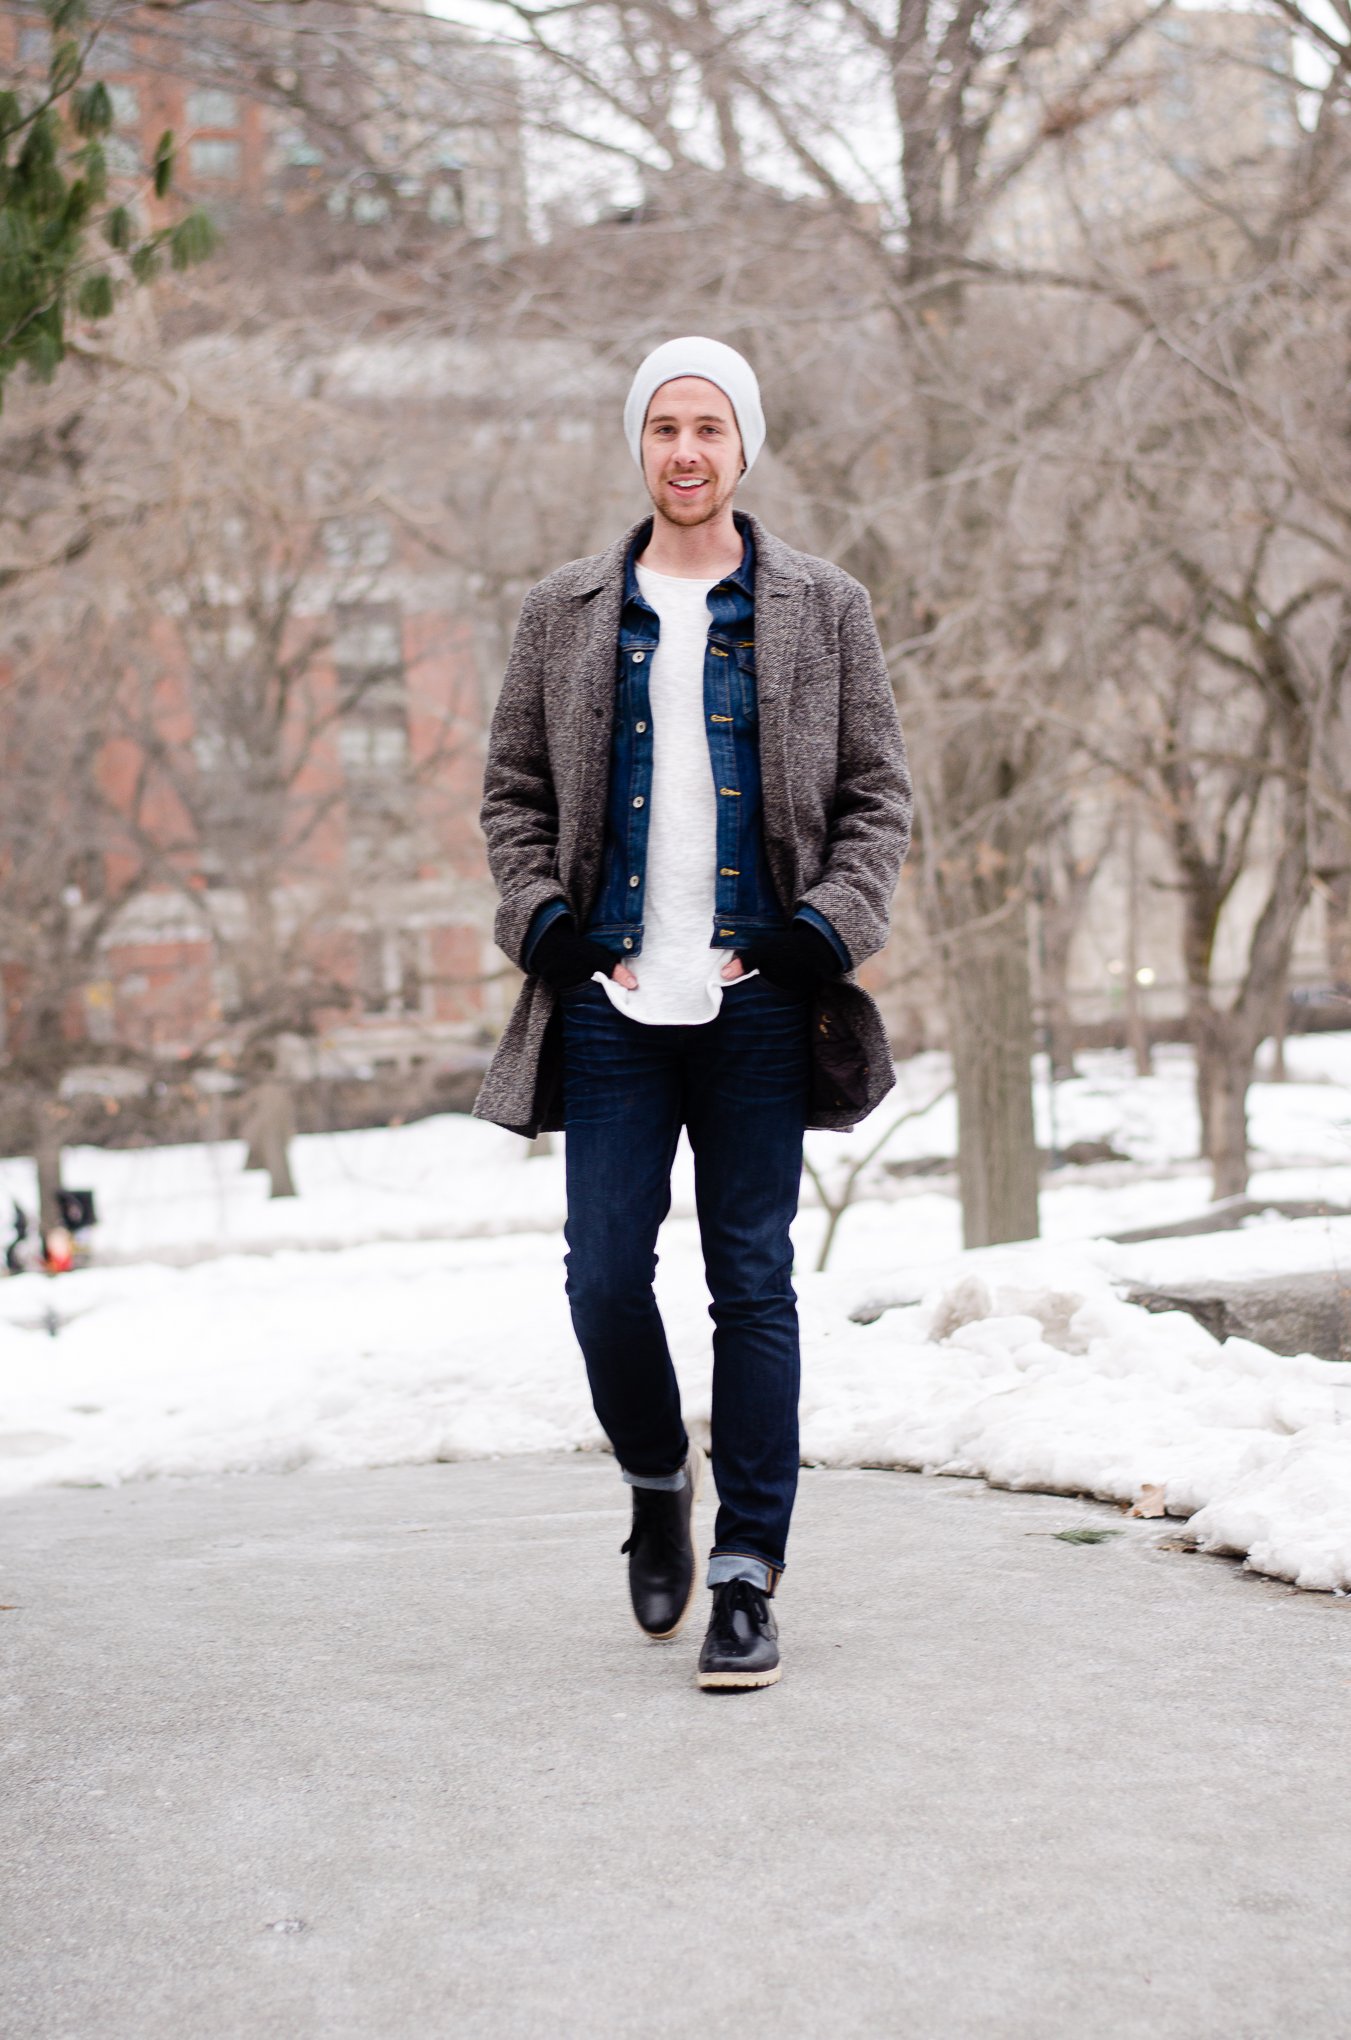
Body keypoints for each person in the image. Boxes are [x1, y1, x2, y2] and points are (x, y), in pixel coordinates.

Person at [476, 336, 911, 1690]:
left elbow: (877, 801)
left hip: (758, 1003)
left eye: (708, 428)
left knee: (754, 1285)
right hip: (607, 1000)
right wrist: (542, 921)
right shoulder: (563, 612)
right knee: (603, 1277)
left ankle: (745, 1575)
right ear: (639, 446)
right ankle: (661, 1479)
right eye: (664, 426)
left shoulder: (823, 608)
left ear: (744, 448)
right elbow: (512, 796)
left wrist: (817, 933)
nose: (685, 449)